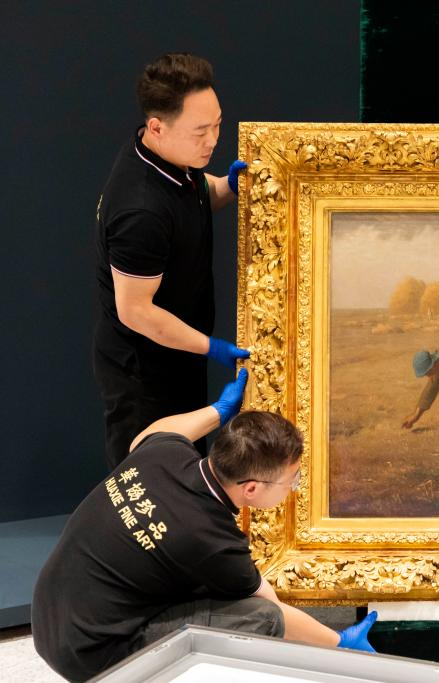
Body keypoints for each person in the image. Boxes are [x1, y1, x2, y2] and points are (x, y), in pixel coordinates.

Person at [32, 370, 377, 682]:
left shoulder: (163, 453)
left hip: (50, 616)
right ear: (251, 488)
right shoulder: (212, 540)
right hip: (94, 656)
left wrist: (218, 410)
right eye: (292, 481)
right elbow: (274, 611)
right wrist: (339, 641)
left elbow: (147, 434)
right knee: (261, 618)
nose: (294, 488)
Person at [94, 53, 251, 469]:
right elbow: (136, 311)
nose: (213, 141)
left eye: (218, 125)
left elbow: (194, 197)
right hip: (145, 370)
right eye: (200, 131)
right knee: (153, 477)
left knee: (187, 469)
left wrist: (228, 187)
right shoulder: (140, 211)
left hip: (179, 350)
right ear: (157, 127)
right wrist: (213, 348)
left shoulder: (172, 157)